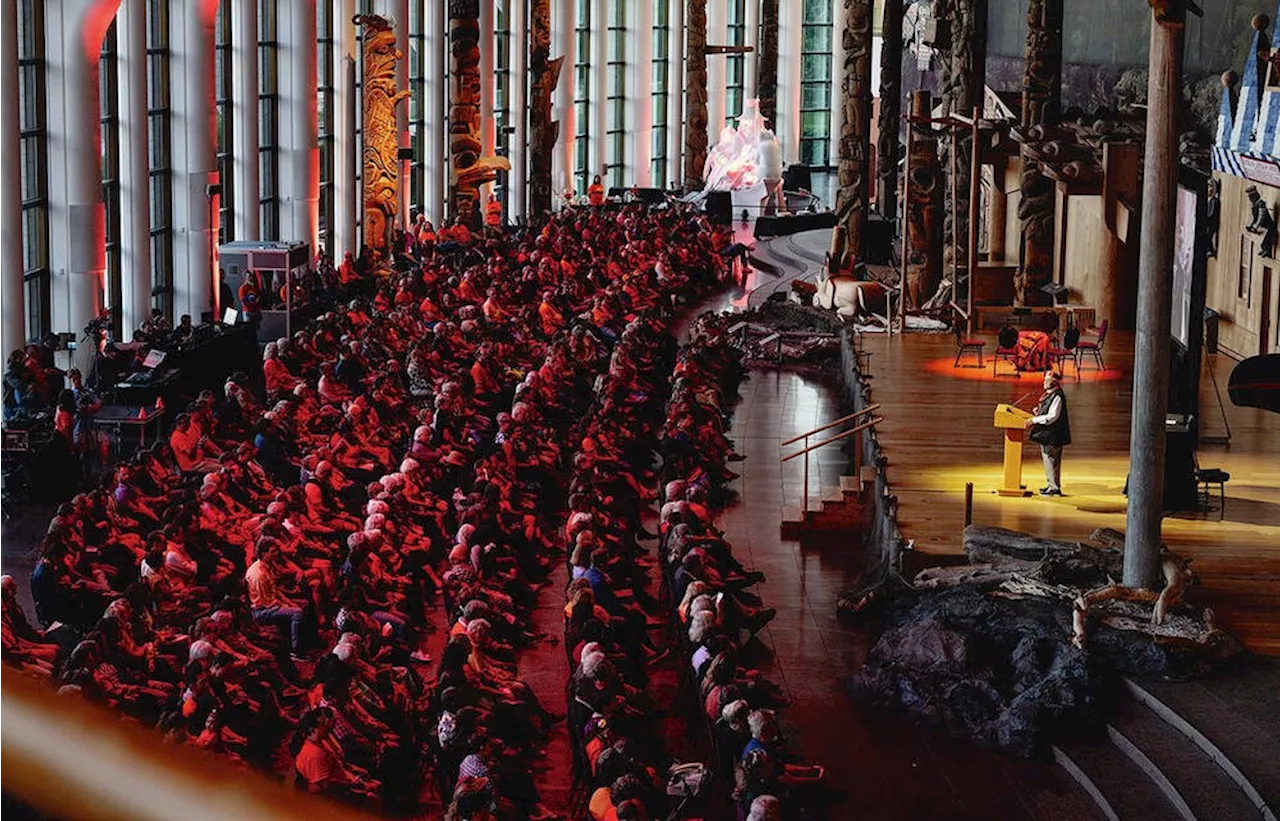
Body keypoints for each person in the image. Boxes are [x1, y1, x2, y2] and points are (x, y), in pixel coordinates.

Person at [1025, 370, 1071, 496]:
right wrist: (1038, 412)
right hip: (1049, 434)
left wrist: (1033, 420)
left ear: (1055, 382)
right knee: (1050, 461)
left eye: (1048, 380)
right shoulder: (1050, 394)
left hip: (1053, 434)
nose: (1044, 382)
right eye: (1044, 380)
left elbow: (1052, 417)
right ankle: (1051, 485)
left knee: (1051, 460)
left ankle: (1054, 488)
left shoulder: (1057, 396)